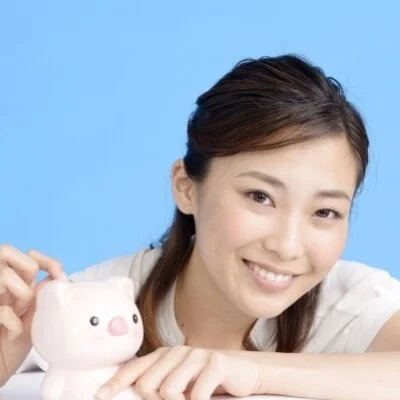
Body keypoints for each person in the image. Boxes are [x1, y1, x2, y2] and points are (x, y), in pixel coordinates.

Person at [1, 54, 400, 400]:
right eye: (260, 196)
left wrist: (251, 371)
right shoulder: (96, 304)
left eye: (325, 212)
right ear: (186, 187)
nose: (288, 246)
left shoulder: (351, 305)